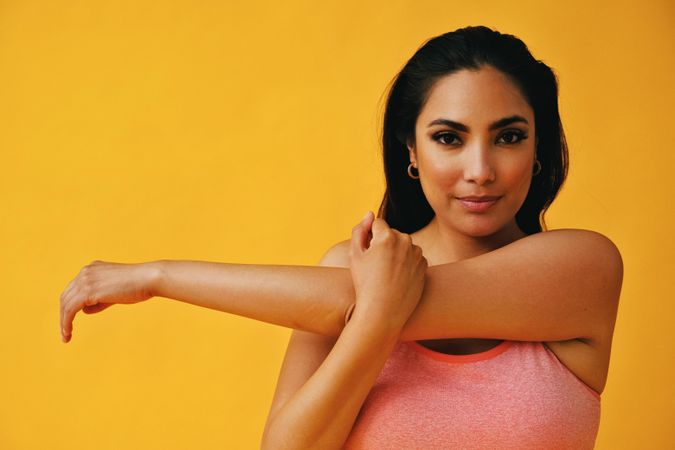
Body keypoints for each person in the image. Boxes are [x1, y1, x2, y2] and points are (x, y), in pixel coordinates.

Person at [59, 25, 623, 449]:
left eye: (508, 136)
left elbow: (363, 300)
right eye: (449, 138)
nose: (480, 169)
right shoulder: (342, 268)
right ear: (411, 149)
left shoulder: (581, 267)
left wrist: (158, 276)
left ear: (538, 147)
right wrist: (376, 322)